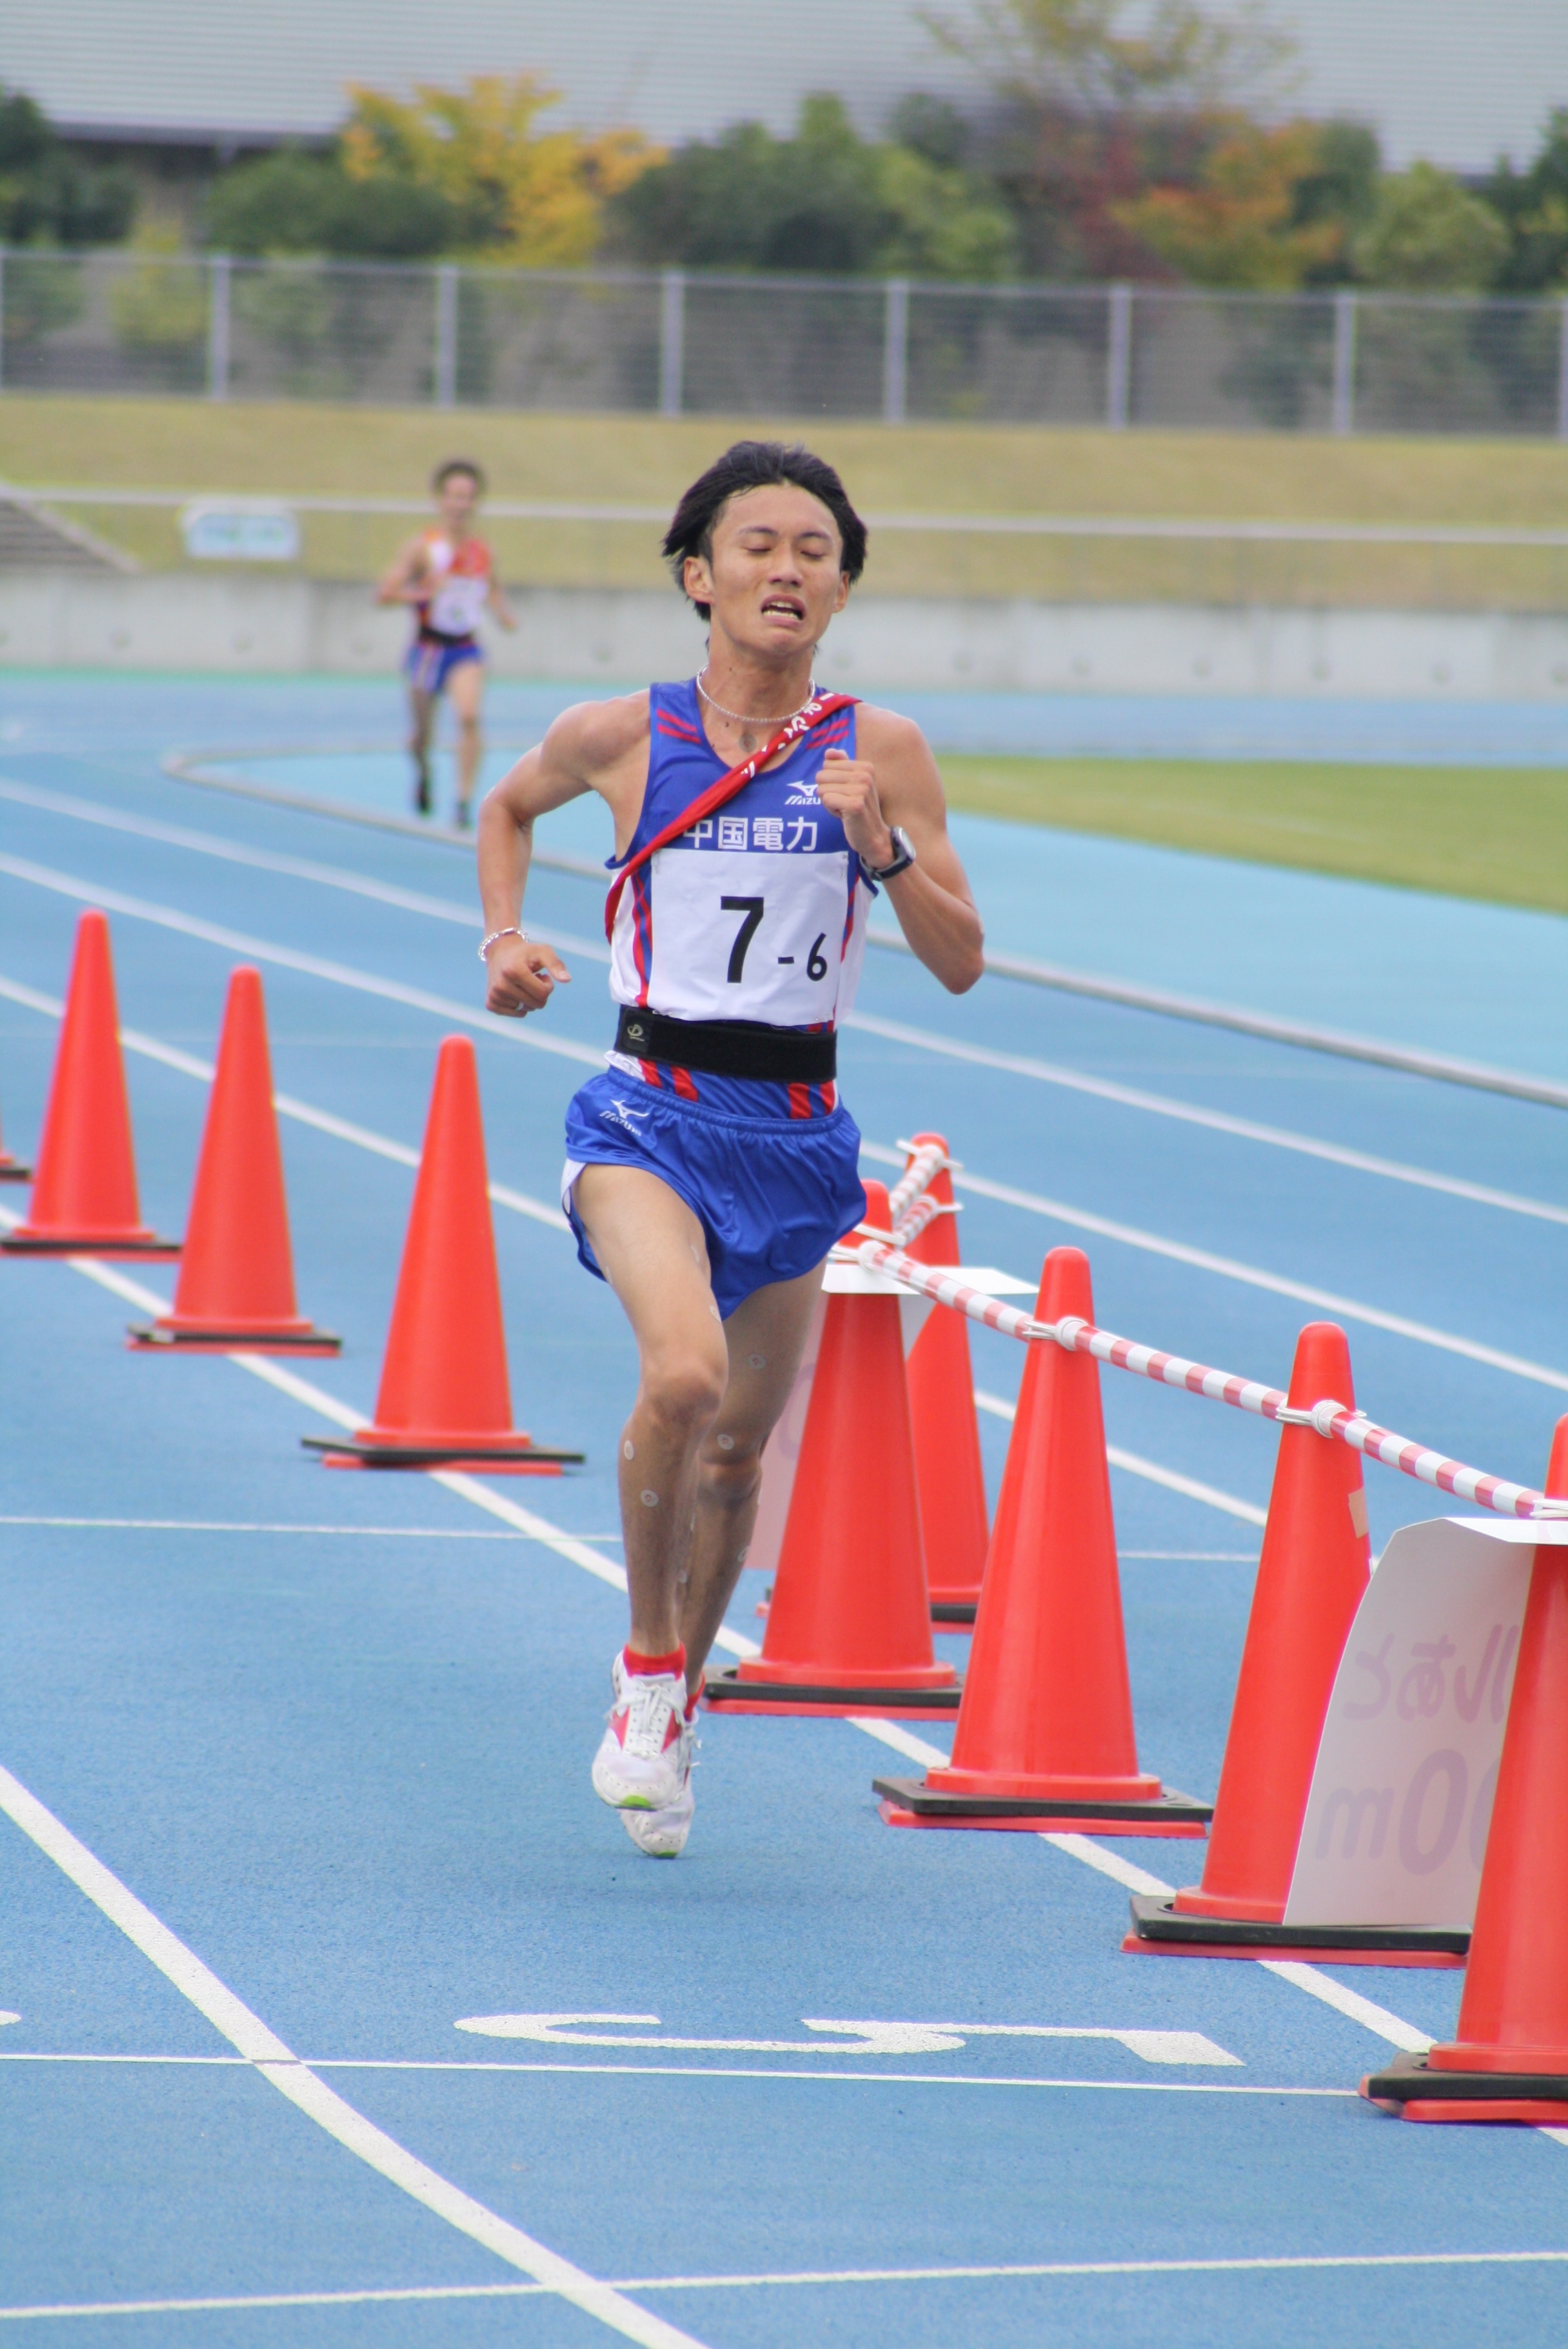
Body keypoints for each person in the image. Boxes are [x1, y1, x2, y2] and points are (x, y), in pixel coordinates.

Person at [475, 440, 983, 1858]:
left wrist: (881, 850)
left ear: (839, 590)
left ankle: (681, 1695)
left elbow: (963, 961)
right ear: (699, 577)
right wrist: (505, 937)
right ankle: (647, 1664)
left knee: (737, 1457)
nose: (787, 568)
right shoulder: (618, 733)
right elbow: (505, 807)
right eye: (757, 544)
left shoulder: (880, 750)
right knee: (684, 1375)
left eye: (815, 550)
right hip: (648, 1109)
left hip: (801, 1135)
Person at [377, 459, 516, 827]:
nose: (460, 504)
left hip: (464, 649)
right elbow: (385, 593)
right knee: (422, 737)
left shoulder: (482, 551)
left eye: (468, 497)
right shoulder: (422, 548)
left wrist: (503, 613)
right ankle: (423, 771)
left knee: (469, 717)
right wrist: (424, 592)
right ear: (441, 500)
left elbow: (492, 588)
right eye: (454, 496)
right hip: (426, 649)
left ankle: (463, 801)